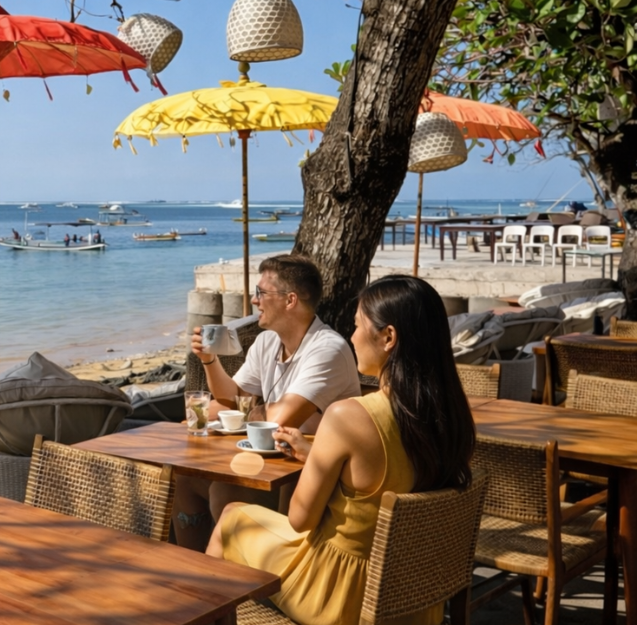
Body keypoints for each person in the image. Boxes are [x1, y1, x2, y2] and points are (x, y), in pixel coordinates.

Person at [206, 274, 476, 625]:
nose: (351, 337)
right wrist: (316, 455)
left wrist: (318, 463)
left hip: (341, 594)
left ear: (388, 337)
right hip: (412, 596)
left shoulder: (350, 417)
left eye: (357, 326)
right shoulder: (451, 416)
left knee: (231, 517)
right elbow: (388, 474)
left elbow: (301, 520)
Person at [173, 255, 361, 551]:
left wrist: (240, 411)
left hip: (313, 479)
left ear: (290, 300)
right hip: (274, 465)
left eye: (261, 292)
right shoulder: (267, 342)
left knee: (225, 490)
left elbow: (281, 417)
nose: (254, 299)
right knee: (185, 480)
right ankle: (189, 568)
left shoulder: (328, 349)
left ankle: (234, 587)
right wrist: (209, 360)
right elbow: (234, 395)